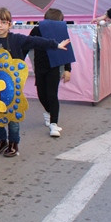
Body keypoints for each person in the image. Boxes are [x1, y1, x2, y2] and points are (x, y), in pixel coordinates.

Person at [0, 7, 70, 157]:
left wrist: (55, 44)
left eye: (3, 22)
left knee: (13, 117)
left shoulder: (17, 40)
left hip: (13, 88)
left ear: (10, 24)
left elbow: (36, 41)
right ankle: (1, 140)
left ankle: (14, 143)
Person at [27, 8, 73, 137]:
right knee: (41, 94)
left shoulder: (61, 32)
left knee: (52, 94)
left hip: (54, 68)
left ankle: (54, 124)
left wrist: (67, 69)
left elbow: (66, 50)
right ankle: (49, 112)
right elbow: (27, 44)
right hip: (40, 67)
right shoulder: (36, 30)